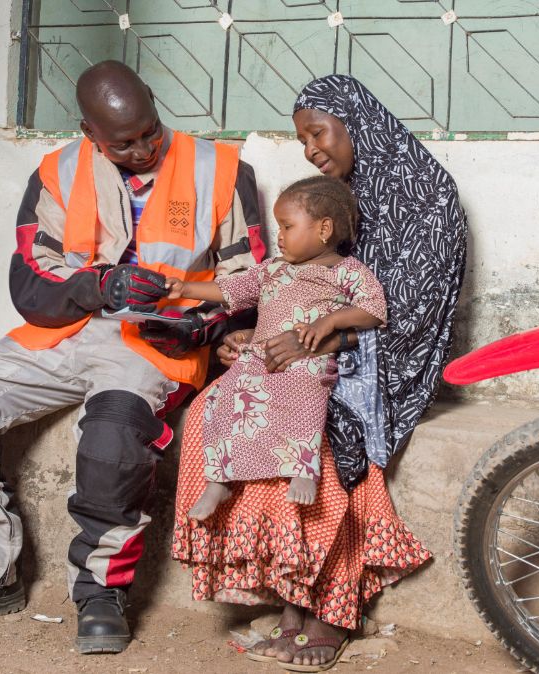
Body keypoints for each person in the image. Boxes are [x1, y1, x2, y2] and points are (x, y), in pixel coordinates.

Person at [0, 60, 264, 655]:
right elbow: (30, 285)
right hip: (68, 330)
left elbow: (252, 283)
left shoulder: (224, 170)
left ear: (154, 104)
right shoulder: (58, 172)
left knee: (111, 436)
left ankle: (101, 589)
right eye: (121, 144)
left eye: (150, 132)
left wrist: (201, 330)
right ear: (89, 131)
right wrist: (96, 287)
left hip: (156, 342)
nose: (142, 149)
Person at [170, 74, 468, 672]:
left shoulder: (428, 197)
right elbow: (281, 288)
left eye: (319, 133)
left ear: (357, 122)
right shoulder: (329, 201)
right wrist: (250, 339)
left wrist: (315, 347)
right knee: (210, 410)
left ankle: (329, 610)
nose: (311, 149)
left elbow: (406, 320)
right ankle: (287, 596)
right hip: (310, 354)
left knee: (320, 436)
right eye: (302, 139)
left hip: (385, 365)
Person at [167, 175, 386, 522]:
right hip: (259, 356)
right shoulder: (271, 269)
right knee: (222, 396)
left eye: (287, 226)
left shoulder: (346, 272)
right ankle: (219, 478)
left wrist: (330, 322)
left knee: (307, 390)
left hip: (308, 359)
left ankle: (303, 466)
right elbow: (229, 290)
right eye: (279, 227)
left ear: (324, 229)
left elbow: (373, 311)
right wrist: (184, 288)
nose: (279, 236)